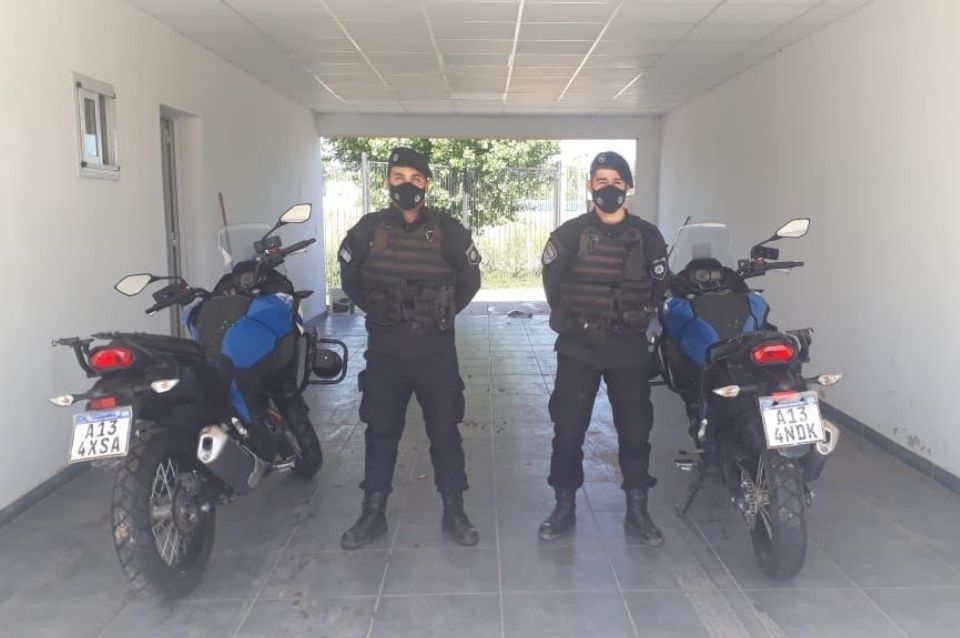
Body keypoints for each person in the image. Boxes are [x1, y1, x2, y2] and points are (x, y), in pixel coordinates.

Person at [337, 147, 483, 549]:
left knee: (445, 431)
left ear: (427, 185)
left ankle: (454, 510)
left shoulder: (448, 231)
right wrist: (386, 311)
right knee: (380, 431)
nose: (407, 185)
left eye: (416, 179)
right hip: (386, 349)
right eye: (399, 177)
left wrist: (438, 313)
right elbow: (351, 280)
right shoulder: (368, 230)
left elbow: (469, 281)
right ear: (388, 181)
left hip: (435, 349)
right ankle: (373, 513)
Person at [538, 151, 670, 546]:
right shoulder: (569, 234)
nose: (608, 188)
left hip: (628, 349)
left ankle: (637, 511)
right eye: (601, 181)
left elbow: (659, 287)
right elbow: (553, 287)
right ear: (589, 186)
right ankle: (563, 507)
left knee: (635, 431)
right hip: (579, 348)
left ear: (627, 186)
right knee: (568, 430)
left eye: (616, 181)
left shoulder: (647, 236)